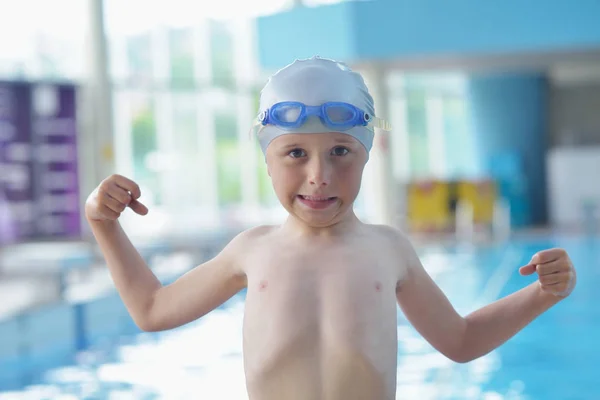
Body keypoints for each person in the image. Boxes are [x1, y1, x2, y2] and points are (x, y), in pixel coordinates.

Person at [85, 57, 577, 400]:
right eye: (295, 153)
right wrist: (104, 225)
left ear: (367, 155)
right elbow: (152, 310)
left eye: (340, 151)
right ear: (267, 160)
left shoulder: (390, 250)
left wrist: (542, 294)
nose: (318, 175)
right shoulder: (251, 251)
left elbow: (462, 341)